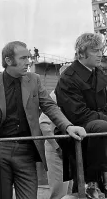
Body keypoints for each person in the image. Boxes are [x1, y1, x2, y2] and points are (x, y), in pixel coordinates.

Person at [0, 41, 86, 199]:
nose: (28, 62)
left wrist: (68, 127)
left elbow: (49, 106)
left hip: (27, 150)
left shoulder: (34, 80)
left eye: (28, 58)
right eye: (23, 58)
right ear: (8, 61)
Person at [55, 33, 107, 199]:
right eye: (95, 50)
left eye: (100, 49)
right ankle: (91, 183)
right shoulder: (68, 78)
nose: (100, 53)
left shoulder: (97, 74)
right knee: (101, 126)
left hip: (92, 131)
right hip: (73, 131)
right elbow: (77, 113)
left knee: (101, 126)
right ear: (81, 54)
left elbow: (104, 107)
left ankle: (94, 184)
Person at [39, 64, 70, 199]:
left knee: (70, 192)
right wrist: (57, 148)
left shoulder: (71, 95)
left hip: (69, 149)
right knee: (59, 192)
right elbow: (44, 123)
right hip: (58, 150)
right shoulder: (56, 95)